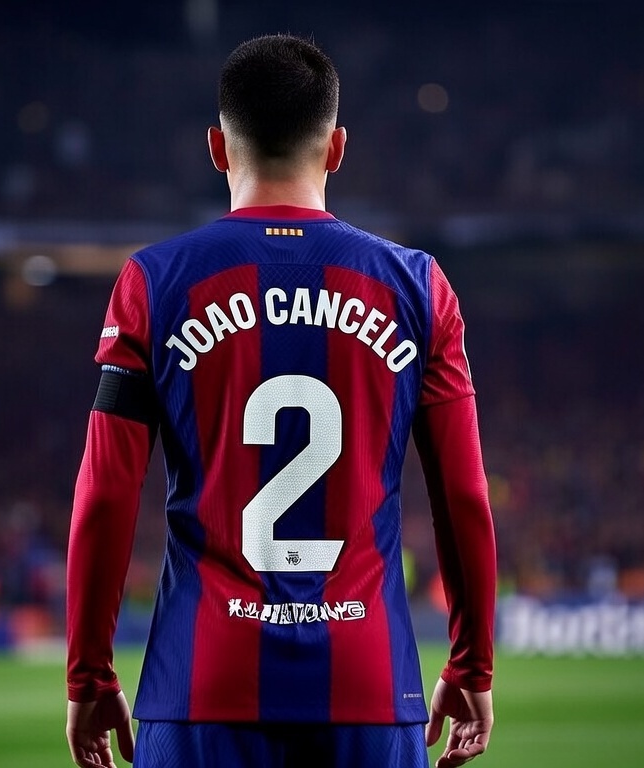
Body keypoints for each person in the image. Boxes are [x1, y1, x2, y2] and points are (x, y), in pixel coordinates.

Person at [66, 34, 496, 768]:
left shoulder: (152, 283)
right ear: (337, 148)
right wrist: (472, 664)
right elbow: (463, 496)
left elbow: (105, 494)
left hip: (200, 686)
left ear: (216, 148)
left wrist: (89, 676)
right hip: (368, 685)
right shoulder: (420, 287)